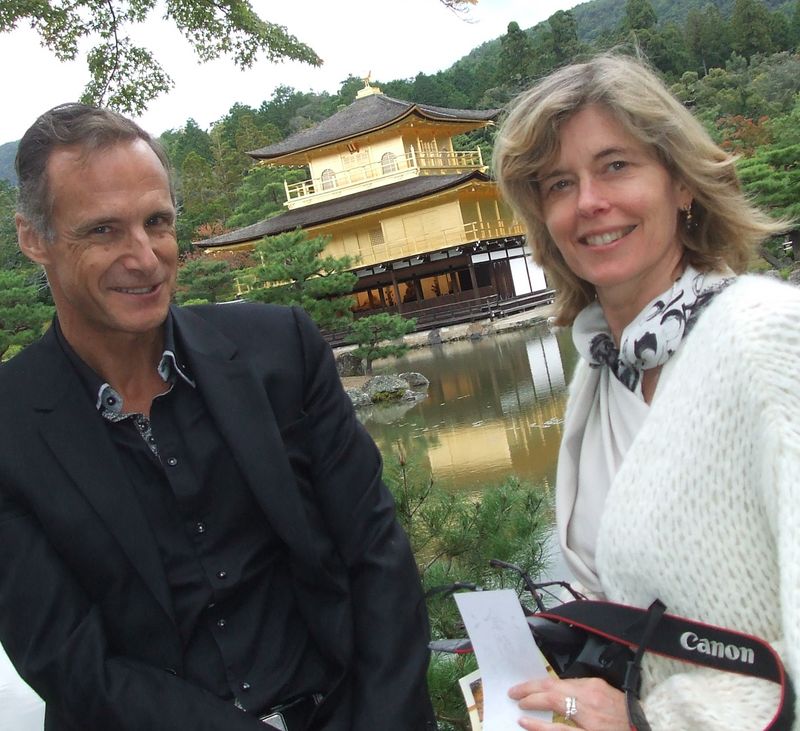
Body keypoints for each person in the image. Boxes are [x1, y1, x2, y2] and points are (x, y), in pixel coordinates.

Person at [0, 103, 436, 731]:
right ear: (34, 239)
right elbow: (71, 662)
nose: (145, 257)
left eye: (158, 222)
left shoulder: (279, 352)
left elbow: (376, 555)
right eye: (103, 231)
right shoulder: (12, 428)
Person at [493, 53, 800, 730]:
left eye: (616, 165)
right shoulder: (603, 371)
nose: (590, 203)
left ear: (681, 184)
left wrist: (652, 719)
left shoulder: (763, 337)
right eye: (558, 183)